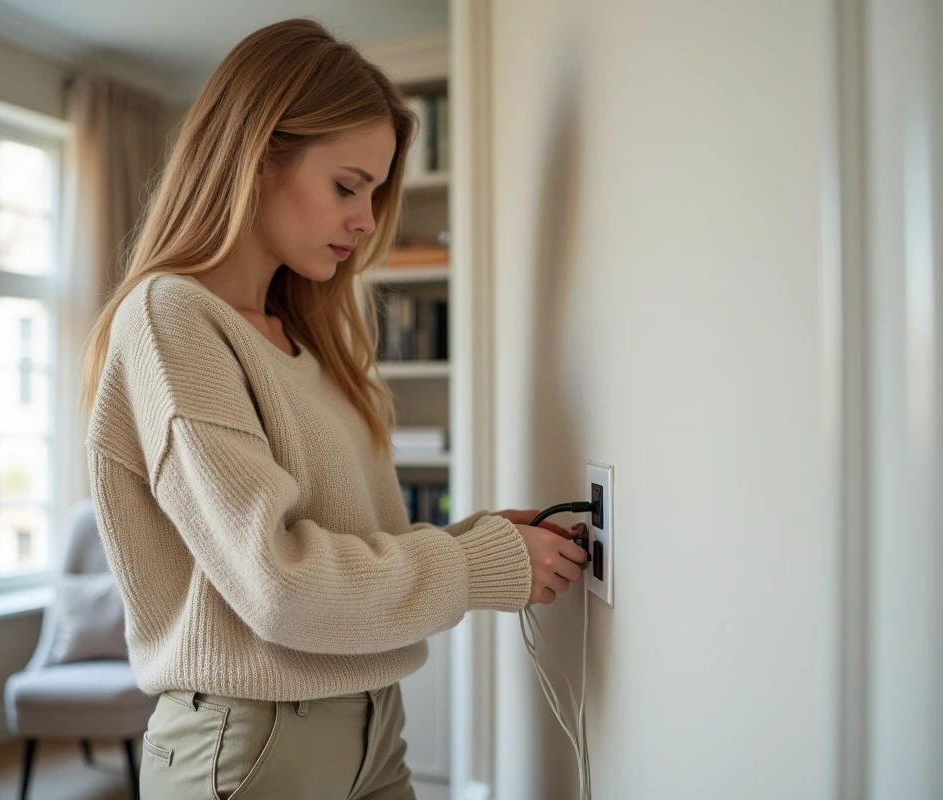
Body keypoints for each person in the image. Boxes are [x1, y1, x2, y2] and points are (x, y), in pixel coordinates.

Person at [81, 17, 589, 800]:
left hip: (373, 723)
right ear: (256, 160)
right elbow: (279, 586)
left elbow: (338, 543)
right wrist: (472, 567)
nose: (367, 218)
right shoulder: (170, 318)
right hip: (249, 741)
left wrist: (478, 541)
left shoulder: (308, 342)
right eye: (347, 186)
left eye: (375, 192)